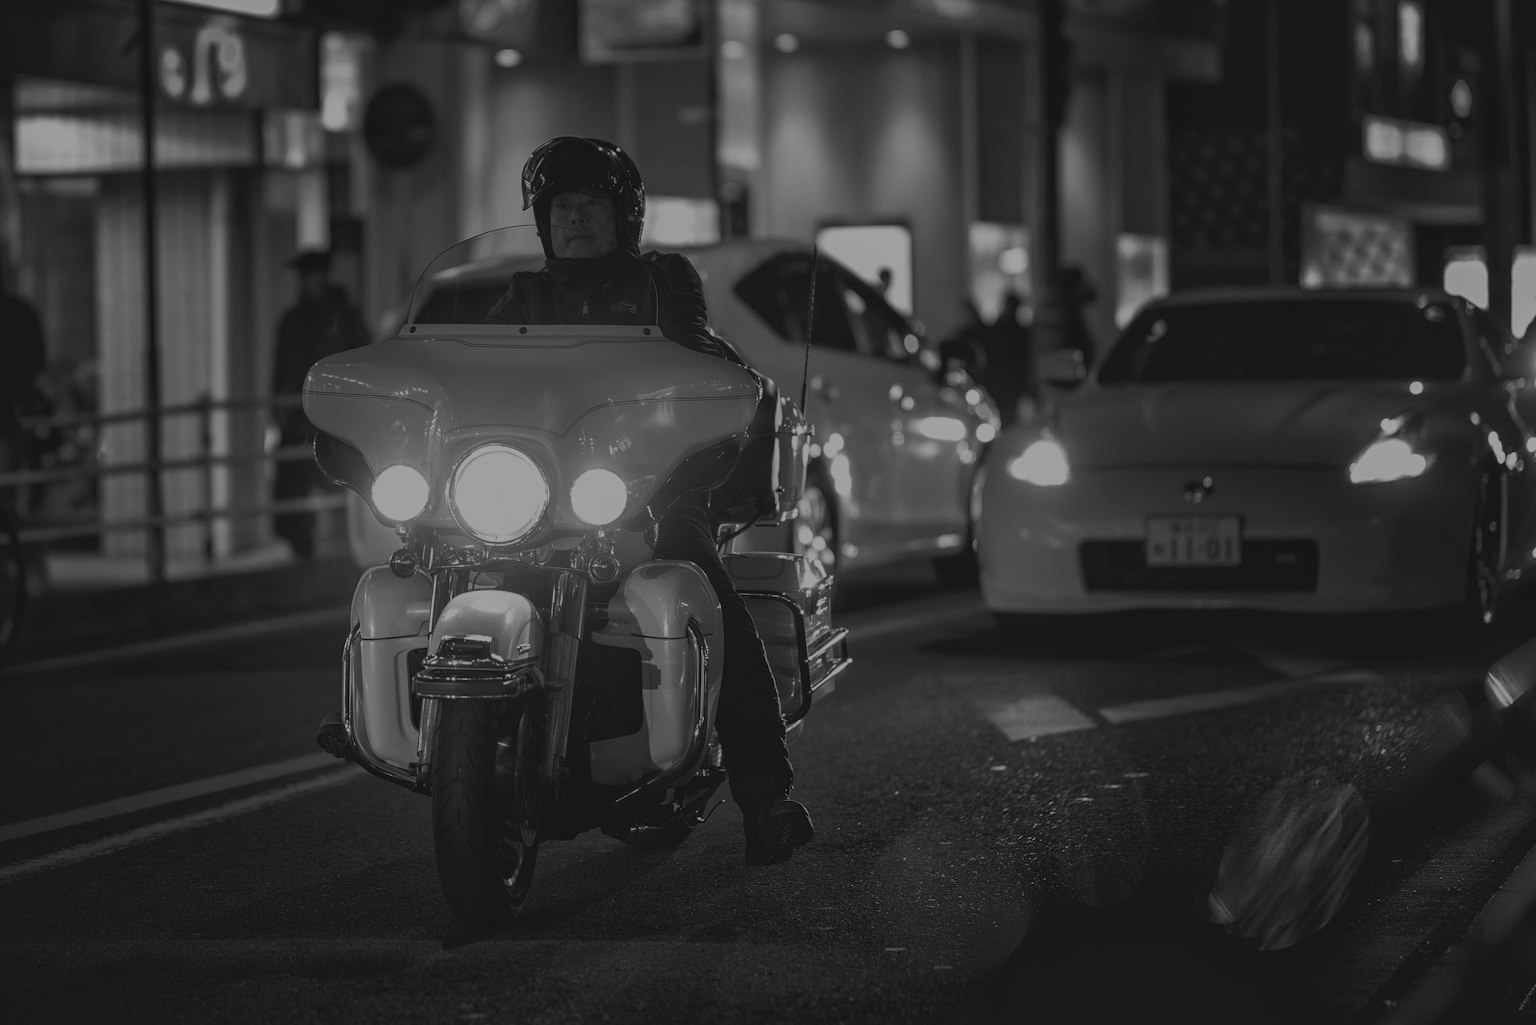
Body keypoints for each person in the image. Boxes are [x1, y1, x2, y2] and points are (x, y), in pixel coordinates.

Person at [485, 135, 815, 866]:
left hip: (656, 481)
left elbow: (693, 347)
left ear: (622, 218)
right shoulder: (523, 295)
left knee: (699, 576)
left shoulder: (662, 279)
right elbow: (474, 373)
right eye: (561, 207)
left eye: (590, 206)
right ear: (542, 221)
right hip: (544, 494)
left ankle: (765, 789)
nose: (574, 220)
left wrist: (711, 377)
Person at [270, 248, 370, 560]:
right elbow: (279, 368)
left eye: (311, 275)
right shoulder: (292, 319)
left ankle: (345, 542)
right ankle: (302, 544)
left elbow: (363, 357)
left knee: (342, 470)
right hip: (299, 411)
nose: (307, 282)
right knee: (291, 477)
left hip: (336, 411)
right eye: (304, 276)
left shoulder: (345, 315)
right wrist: (278, 407)